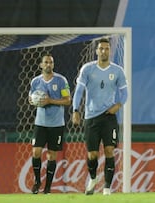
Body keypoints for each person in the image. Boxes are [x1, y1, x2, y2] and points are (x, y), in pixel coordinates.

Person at [72, 38, 128, 195]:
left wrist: (119, 104)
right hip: (91, 117)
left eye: (106, 49)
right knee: (92, 155)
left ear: (110, 51)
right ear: (96, 51)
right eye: (101, 49)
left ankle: (107, 188)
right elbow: (79, 91)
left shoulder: (117, 71)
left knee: (110, 151)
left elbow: (125, 93)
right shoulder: (87, 69)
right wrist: (75, 110)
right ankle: (93, 178)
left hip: (109, 117)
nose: (104, 51)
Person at [28, 53, 71, 194]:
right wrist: (33, 100)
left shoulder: (61, 80)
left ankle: (47, 187)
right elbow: (31, 97)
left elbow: (67, 100)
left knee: (52, 155)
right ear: (41, 65)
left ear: (53, 64)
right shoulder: (35, 81)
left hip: (56, 124)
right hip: (40, 123)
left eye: (51, 62)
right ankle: (37, 181)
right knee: (36, 152)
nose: (48, 65)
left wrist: (50, 101)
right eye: (46, 62)